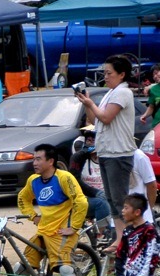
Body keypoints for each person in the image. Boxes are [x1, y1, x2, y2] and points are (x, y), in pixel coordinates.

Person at [16, 143, 89, 276]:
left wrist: (74, 227)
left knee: (64, 269)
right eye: (34, 159)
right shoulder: (33, 180)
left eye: (38, 159)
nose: (34, 162)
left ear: (51, 161)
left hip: (62, 232)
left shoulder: (64, 178)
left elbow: (81, 202)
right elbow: (22, 198)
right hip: (43, 231)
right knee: (24, 266)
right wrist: (33, 216)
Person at [76, 55, 136, 230]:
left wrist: (90, 104)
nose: (106, 77)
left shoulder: (123, 92)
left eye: (109, 73)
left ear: (122, 74)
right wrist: (87, 104)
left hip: (118, 153)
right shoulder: (110, 93)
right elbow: (94, 120)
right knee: (111, 199)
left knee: (119, 199)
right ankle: (119, 239)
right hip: (106, 151)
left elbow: (106, 117)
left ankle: (127, 237)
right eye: (105, 73)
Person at [70, 125, 116, 242]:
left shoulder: (108, 157)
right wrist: (96, 192)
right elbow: (74, 180)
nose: (91, 143)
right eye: (88, 140)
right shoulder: (79, 158)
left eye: (94, 140)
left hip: (107, 196)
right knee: (101, 202)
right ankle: (103, 235)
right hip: (86, 198)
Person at [139, 64, 160, 128]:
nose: (155, 76)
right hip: (157, 124)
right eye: (153, 75)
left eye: (156, 73)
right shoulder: (153, 89)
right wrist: (144, 116)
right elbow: (151, 107)